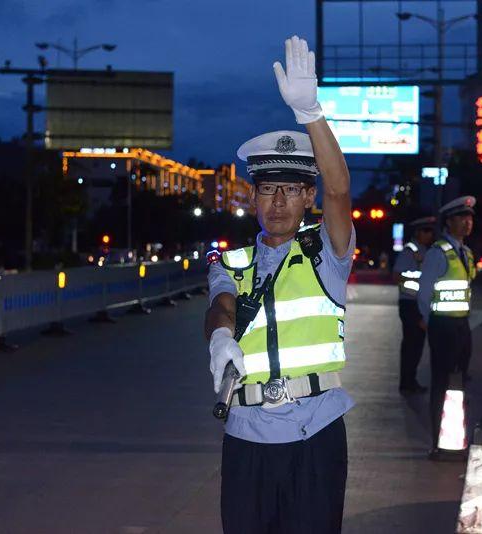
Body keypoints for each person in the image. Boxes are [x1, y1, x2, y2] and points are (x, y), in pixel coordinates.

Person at [204, 35, 354, 534]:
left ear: (308, 196)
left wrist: (310, 111)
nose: (279, 201)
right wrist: (221, 337)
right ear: (254, 197)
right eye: (268, 189)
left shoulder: (325, 255)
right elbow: (221, 303)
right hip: (246, 434)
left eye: (291, 189)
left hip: (316, 431)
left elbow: (340, 189)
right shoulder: (233, 260)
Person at [417, 196, 476, 454]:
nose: (468, 222)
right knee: (441, 384)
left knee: (460, 383)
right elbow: (424, 293)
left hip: (462, 325)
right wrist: (431, 324)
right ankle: (437, 443)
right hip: (442, 326)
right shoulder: (438, 253)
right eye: (462, 218)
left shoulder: (467, 253)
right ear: (449, 222)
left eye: (470, 217)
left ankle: (454, 438)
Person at [392, 215, 436, 394]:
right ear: (418, 233)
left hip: (419, 303)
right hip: (409, 304)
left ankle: (411, 380)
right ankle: (407, 382)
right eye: (426, 231)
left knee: (417, 345)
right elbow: (397, 275)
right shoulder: (410, 251)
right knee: (412, 345)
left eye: (431, 232)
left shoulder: (424, 251)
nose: (429, 235)